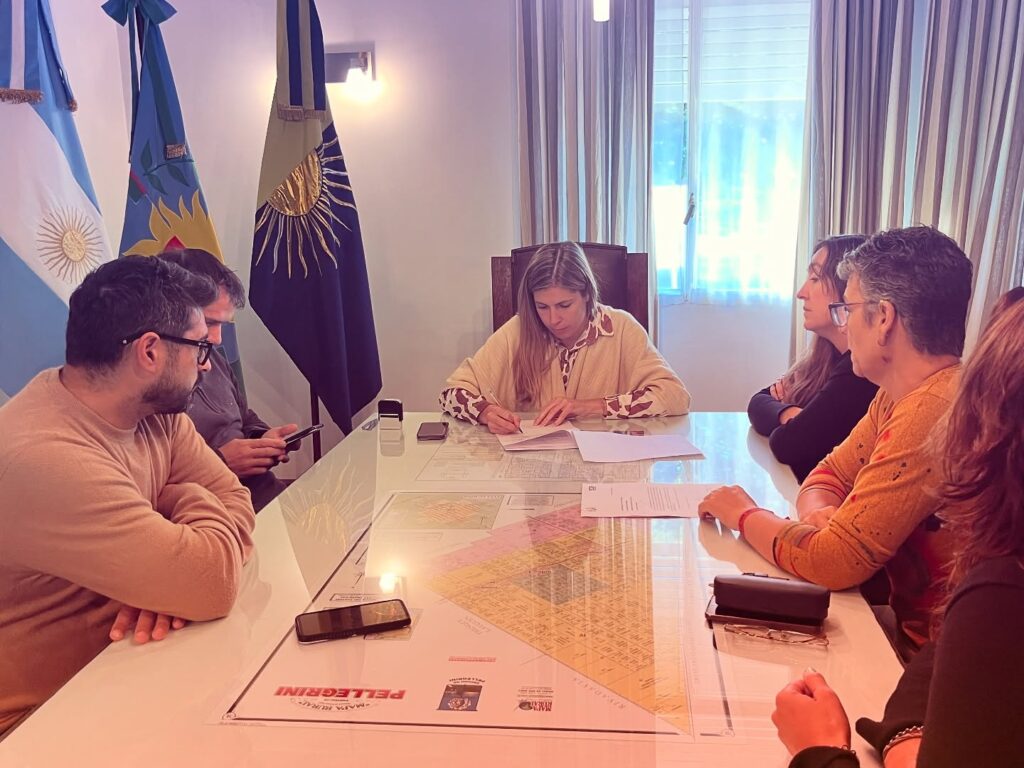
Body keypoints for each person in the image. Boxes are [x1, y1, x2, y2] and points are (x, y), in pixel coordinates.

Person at [0, 257, 255, 735]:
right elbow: (213, 583)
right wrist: (185, 515)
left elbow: (235, 499)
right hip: (36, 722)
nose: (207, 363)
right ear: (150, 351)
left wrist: (169, 579)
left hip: (122, 672)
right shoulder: (46, 457)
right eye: (200, 347)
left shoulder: (158, 413)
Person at [771, 290, 1024, 768]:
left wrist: (820, 750)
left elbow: (832, 556)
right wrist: (906, 737)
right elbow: (935, 669)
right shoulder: (890, 395)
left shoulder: (1004, 591)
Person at [699, 226, 973, 658]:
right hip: (911, 640)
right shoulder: (899, 393)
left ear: (883, 319)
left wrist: (743, 514)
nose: (845, 324)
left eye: (849, 309)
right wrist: (818, 515)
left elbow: (833, 563)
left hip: (934, 663)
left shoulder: (933, 409)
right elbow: (829, 472)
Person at [440, 241, 690, 433]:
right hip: (533, 469)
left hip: (605, 469)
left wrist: (589, 406)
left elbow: (675, 397)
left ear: (586, 294)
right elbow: (451, 394)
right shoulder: (519, 329)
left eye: (564, 305)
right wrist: (485, 412)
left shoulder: (622, 328)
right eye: (542, 306)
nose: (553, 319)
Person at [158, 248, 300, 511]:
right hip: (212, 513)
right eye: (209, 323)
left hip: (264, 499)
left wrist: (261, 440)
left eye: (222, 324)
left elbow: (243, 417)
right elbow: (151, 482)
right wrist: (221, 463)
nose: (217, 338)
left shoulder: (216, 360)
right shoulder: (151, 384)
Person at [748, 235, 878, 482]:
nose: (801, 293)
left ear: (847, 289)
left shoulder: (858, 374)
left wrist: (792, 419)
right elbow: (758, 402)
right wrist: (790, 414)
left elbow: (787, 444)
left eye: (815, 279)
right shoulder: (826, 358)